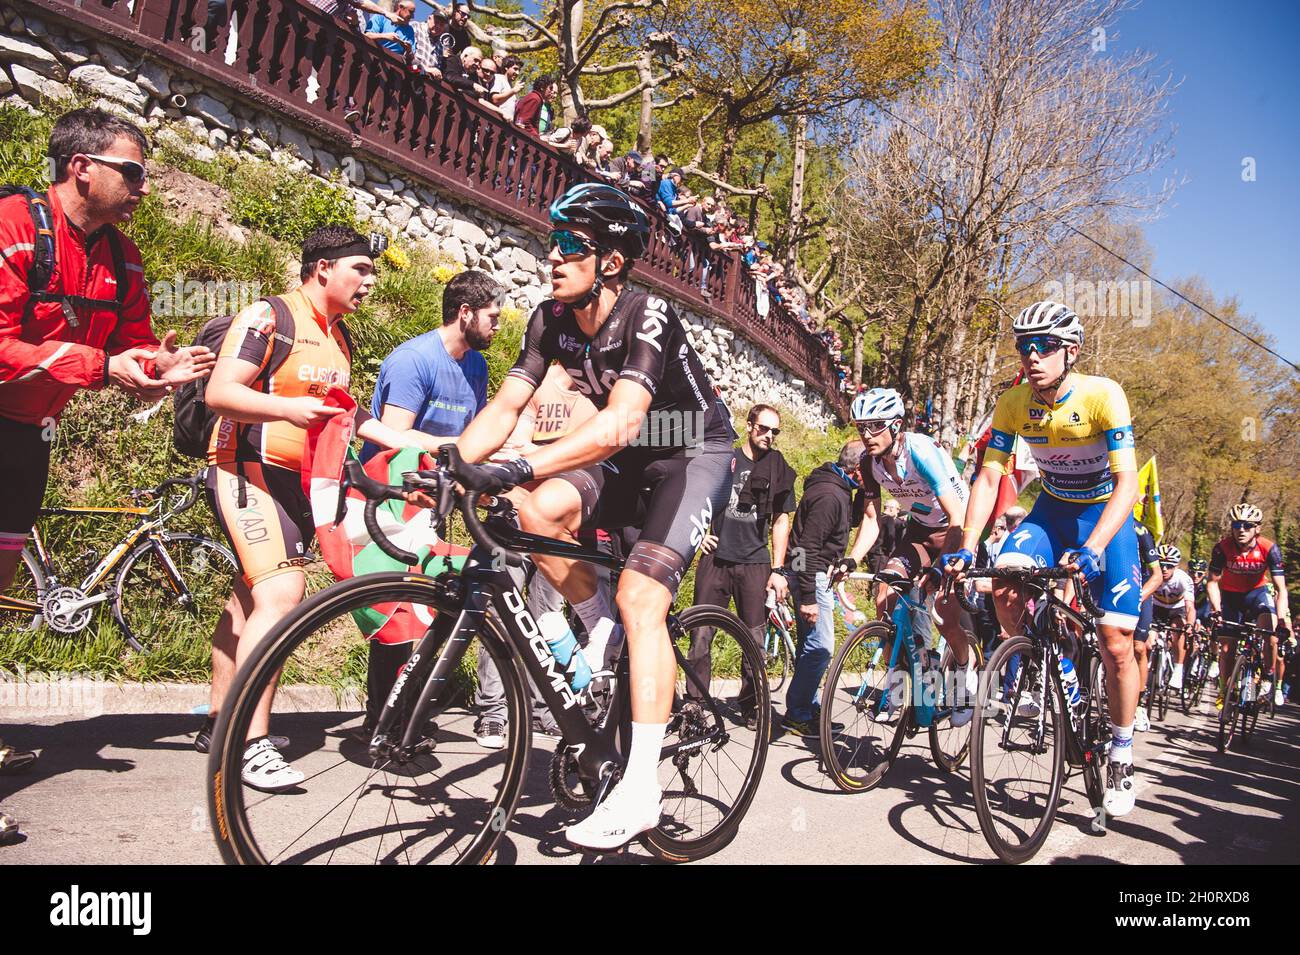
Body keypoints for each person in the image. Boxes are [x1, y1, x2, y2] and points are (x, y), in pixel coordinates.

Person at [453, 182, 737, 850]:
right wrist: (447, 463)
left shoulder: (649, 316)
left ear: (610, 260)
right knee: (532, 511)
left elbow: (621, 422)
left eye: (569, 244)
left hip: (693, 452)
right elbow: (503, 410)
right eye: (550, 242)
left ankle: (639, 790)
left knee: (643, 598)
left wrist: (528, 460)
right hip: (630, 460)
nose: (552, 256)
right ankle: (587, 617)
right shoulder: (549, 319)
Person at [0, 108, 216, 842]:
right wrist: (101, 366)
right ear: (79, 166)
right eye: (133, 171)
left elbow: (132, 347)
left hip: (24, 437)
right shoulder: (12, 226)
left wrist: (160, 369)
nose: (144, 188)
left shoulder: (122, 259)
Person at [198, 227, 452, 791]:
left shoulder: (341, 338)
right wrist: (288, 411)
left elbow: (355, 420)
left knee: (249, 597)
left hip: (302, 482)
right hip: (247, 468)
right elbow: (221, 391)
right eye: (360, 269)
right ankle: (251, 743)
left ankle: (219, 720)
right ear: (323, 270)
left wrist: (431, 447)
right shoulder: (270, 318)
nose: (369, 281)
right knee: (282, 596)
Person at [945, 301, 1144, 817]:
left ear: (1070, 351)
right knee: (1005, 581)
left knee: (1116, 641)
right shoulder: (1012, 402)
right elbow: (990, 478)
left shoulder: (1104, 395)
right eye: (1024, 346)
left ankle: (1121, 750)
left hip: (1106, 514)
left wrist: (1096, 546)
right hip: (1053, 509)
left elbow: (1127, 483)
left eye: (1045, 346)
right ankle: (1048, 670)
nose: (1033, 356)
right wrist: (968, 543)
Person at [359, 270, 502, 735]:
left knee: (431, 604)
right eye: (492, 317)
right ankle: (383, 718)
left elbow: (475, 435)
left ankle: (406, 712)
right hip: (390, 498)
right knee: (397, 608)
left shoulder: (476, 366)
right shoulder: (413, 360)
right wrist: (458, 444)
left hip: (433, 499)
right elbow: (394, 434)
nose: (497, 326)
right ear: (465, 313)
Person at [838, 387, 976, 726]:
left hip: (954, 530)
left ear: (896, 425)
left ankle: (963, 671)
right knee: (885, 596)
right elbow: (871, 519)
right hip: (918, 532)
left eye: (875, 426)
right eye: (860, 427)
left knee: (944, 617)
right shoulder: (870, 464)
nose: (866, 435)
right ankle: (900, 688)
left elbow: (957, 517)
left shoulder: (922, 453)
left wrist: (942, 566)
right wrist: (851, 559)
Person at [691, 404, 796, 727]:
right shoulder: (725, 459)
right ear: (749, 425)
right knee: (700, 636)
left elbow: (781, 519)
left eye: (774, 431)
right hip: (716, 559)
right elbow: (695, 496)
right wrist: (698, 536)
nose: (768, 436)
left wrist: (778, 570)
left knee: (754, 640)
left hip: (755, 563)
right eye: (763, 428)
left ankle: (751, 705)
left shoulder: (779, 467)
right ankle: (695, 704)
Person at [779, 442, 864, 736]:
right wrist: (807, 598)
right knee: (821, 648)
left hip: (813, 574)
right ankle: (798, 712)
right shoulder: (830, 495)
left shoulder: (839, 488)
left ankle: (808, 709)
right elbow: (804, 548)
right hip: (810, 576)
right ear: (857, 469)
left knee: (808, 647)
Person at [1206, 502, 1291, 709]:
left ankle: (1268, 677)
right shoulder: (1222, 548)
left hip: (1257, 594)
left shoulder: (1269, 548)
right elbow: (1212, 582)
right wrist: (1216, 610)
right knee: (1227, 648)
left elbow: (1281, 589)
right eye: (1236, 525)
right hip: (1231, 598)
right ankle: (1225, 692)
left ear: (1257, 528)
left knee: (1270, 635)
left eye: (1247, 525)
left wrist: (1281, 621)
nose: (1241, 530)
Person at [1149, 544, 1196, 690]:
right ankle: (1149, 666)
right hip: (1157, 609)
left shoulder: (1183, 579)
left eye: (1168, 566)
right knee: (1149, 640)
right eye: (1161, 564)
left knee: (1178, 629)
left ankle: (1178, 669)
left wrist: (1189, 624)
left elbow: (1190, 607)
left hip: (1177, 609)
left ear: (1175, 566)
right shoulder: (1151, 574)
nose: (1164, 569)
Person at [1130, 524, 1162, 732]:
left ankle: (1139, 703)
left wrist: (1137, 598)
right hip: (1105, 586)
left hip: (1138, 590)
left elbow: (1156, 575)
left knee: (1139, 647)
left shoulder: (1140, 531)